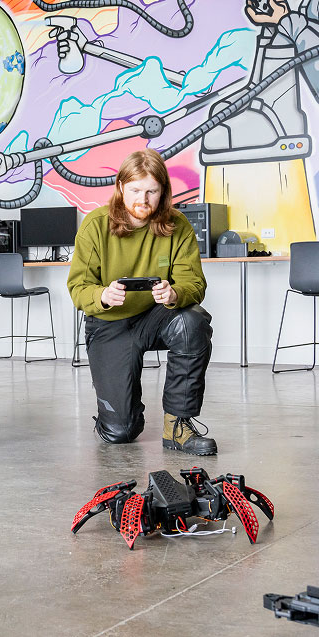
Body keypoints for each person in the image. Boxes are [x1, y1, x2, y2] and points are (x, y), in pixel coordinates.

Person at [67, 149, 217, 455]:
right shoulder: (95, 225)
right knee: (121, 433)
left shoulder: (178, 226)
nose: (143, 199)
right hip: (109, 323)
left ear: (163, 192)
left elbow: (194, 283)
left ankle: (178, 425)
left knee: (193, 321)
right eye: (135, 190)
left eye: (152, 191)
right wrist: (102, 296)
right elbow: (78, 287)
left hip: (155, 317)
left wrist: (175, 294)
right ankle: (115, 414)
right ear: (121, 187)